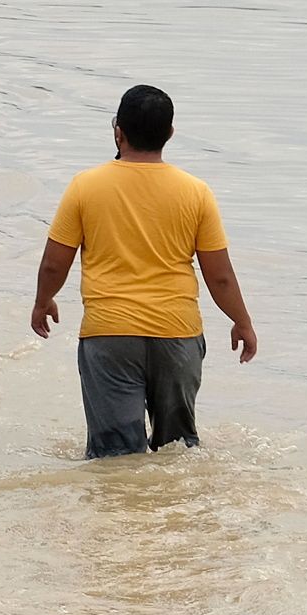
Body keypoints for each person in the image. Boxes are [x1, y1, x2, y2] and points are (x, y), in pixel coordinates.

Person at [30, 84, 260, 458]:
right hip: (177, 334)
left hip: (110, 336)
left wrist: (43, 301)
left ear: (117, 131)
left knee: (114, 457)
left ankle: (121, 517)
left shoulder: (85, 186)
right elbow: (219, 275)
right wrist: (242, 322)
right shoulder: (196, 192)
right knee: (178, 450)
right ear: (169, 133)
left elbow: (56, 261)